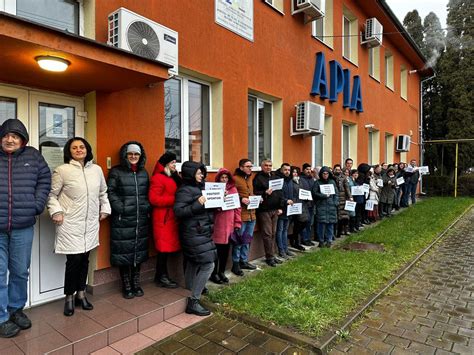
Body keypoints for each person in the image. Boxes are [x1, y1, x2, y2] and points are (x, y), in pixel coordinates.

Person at [48, 137, 111, 317]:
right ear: (69, 151)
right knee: (74, 262)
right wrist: (56, 212)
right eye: (74, 148)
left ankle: (81, 295)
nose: (78, 150)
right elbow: (51, 195)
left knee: (85, 260)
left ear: (87, 149)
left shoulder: (96, 170)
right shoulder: (62, 170)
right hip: (70, 223)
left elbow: (103, 192)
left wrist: (105, 208)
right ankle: (69, 297)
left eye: (81, 147)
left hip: (90, 223)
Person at [0, 119, 51, 337]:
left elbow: (45, 179)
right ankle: (1, 317)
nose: (10, 139)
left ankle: (16, 309)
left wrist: (36, 204)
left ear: (23, 140)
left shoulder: (33, 156)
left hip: (23, 225)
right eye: (6, 136)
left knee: (20, 271)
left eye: (15, 136)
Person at [107, 142, 150, 299]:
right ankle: (126, 285)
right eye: (130, 154)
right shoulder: (116, 172)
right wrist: (121, 208)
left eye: (136, 154)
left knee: (138, 250)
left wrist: (146, 207)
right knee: (124, 251)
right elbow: (110, 192)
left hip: (141, 218)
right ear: (125, 155)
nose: (133, 157)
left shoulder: (143, 173)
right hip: (123, 219)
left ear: (140, 156)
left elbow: (147, 193)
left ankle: (136, 283)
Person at [174, 161, 216, 316]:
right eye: (198, 173)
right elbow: (179, 211)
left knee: (193, 262)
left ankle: (190, 291)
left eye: (202, 173)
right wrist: (197, 204)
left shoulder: (201, 188)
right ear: (191, 174)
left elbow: (206, 207)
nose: (202, 175)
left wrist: (218, 199)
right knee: (208, 265)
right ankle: (194, 300)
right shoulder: (184, 190)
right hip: (192, 233)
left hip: (201, 231)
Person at [149, 152, 181, 288]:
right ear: (166, 164)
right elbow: (153, 199)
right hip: (162, 219)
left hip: (170, 218)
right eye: (173, 163)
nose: (175, 165)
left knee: (166, 249)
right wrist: (175, 200)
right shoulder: (158, 178)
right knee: (163, 250)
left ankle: (161, 275)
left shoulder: (173, 177)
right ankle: (161, 276)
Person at [210, 168, 241, 284]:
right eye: (222, 178)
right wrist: (220, 199)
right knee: (217, 251)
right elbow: (212, 207)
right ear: (218, 179)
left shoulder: (233, 189)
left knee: (225, 251)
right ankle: (214, 273)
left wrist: (237, 223)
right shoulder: (215, 189)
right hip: (218, 225)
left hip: (230, 226)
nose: (224, 180)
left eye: (226, 177)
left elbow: (237, 208)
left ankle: (222, 271)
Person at [253, 159, 285, 267]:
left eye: (270, 165)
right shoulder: (258, 178)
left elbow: (280, 193)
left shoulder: (275, 177)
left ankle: (273, 255)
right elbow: (255, 193)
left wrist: (280, 207)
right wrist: (264, 193)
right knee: (267, 234)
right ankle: (269, 257)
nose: (268, 167)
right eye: (266, 165)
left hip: (275, 209)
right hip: (264, 210)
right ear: (262, 167)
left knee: (273, 233)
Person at [232, 159, 257, 276]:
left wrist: (257, 198)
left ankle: (244, 261)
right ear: (241, 167)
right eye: (247, 166)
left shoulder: (250, 178)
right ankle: (235, 264)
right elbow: (230, 194)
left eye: (251, 166)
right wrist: (241, 199)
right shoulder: (235, 178)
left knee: (247, 239)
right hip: (241, 215)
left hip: (252, 214)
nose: (250, 169)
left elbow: (250, 193)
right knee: (238, 240)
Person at [312, 167, 339, 248]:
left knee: (330, 224)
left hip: (331, 206)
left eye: (327, 173)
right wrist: (323, 196)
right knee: (321, 225)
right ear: (321, 174)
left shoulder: (332, 182)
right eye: (324, 173)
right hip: (321, 206)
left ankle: (329, 241)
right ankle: (321, 241)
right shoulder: (317, 182)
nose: (325, 175)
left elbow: (336, 193)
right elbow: (314, 193)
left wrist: (335, 202)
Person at [275, 163, 295, 259]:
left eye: (288, 170)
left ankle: (286, 249)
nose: (287, 171)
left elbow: (292, 193)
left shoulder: (290, 180)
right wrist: (285, 201)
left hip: (289, 209)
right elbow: (277, 195)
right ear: (281, 170)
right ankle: (281, 250)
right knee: (280, 230)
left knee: (285, 230)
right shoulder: (278, 179)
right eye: (285, 170)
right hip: (281, 209)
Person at [333, 164, 352, 237]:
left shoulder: (343, 178)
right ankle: (336, 232)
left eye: (339, 169)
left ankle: (341, 231)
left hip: (342, 198)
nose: (338, 171)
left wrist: (350, 197)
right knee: (336, 216)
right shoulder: (332, 177)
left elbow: (347, 188)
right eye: (336, 169)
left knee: (343, 216)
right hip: (335, 197)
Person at [300, 163, 316, 246]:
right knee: (305, 222)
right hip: (304, 204)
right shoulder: (301, 179)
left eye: (310, 169)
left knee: (310, 223)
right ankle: (304, 239)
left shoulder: (312, 179)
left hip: (311, 204)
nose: (309, 171)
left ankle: (308, 238)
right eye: (307, 169)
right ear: (303, 170)